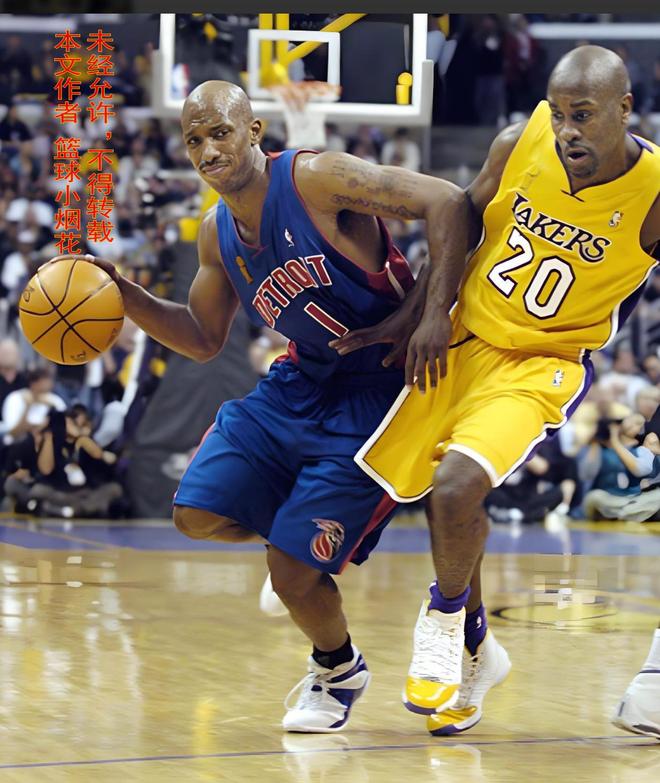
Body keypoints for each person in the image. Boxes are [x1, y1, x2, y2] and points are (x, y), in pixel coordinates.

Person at [55, 79, 474, 733]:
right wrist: (126, 295)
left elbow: (448, 202)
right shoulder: (215, 233)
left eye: (221, 132)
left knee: (291, 575)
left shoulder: (317, 180)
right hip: (300, 382)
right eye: (194, 139)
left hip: (378, 389)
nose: (207, 150)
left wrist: (431, 312)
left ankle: (336, 670)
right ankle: (298, 544)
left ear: (254, 132)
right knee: (195, 513)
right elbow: (202, 337)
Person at [331, 45, 660, 733]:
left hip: (542, 362)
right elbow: (459, 218)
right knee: (439, 503)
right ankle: (479, 650)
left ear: (624, 110)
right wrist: (425, 312)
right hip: (463, 339)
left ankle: (444, 618)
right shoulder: (519, 143)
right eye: (559, 113)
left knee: (455, 488)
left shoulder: (653, 193)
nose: (566, 130)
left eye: (583, 115)